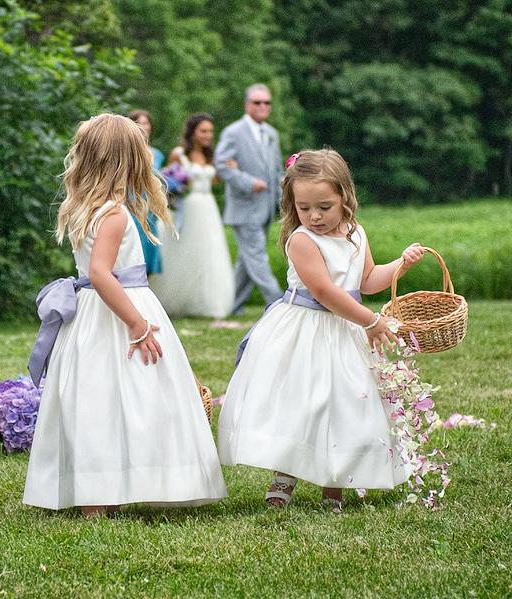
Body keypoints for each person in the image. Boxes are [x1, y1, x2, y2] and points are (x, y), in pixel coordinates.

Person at [23, 114, 228, 516]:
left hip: (91, 317)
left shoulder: (87, 207)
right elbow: (100, 273)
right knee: (131, 399)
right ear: (132, 162)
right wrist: (136, 322)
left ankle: (98, 493)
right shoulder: (114, 213)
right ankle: (106, 495)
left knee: (97, 403)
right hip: (120, 309)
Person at [215, 149, 424, 509]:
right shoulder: (301, 240)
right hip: (306, 331)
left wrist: (400, 266)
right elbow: (325, 291)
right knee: (303, 404)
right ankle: (285, 472)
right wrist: (372, 321)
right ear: (291, 203)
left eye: (324, 207)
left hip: (346, 329)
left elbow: (369, 280)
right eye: (304, 207)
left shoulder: (356, 234)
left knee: (345, 404)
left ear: (344, 196)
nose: (314, 216)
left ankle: (335, 485)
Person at [149, 112, 235, 318]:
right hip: (188, 207)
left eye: (210, 132)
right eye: (203, 131)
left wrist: (226, 171)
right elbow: (165, 180)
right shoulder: (179, 154)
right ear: (192, 132)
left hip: (208, 206)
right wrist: (178, 187)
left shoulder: (210, 155)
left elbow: (210, 180)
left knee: (209, 251)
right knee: (185, 251)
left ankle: (208, 303)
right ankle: (179, 300)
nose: (208, 135)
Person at [215, 84, 285, 315]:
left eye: (267, 102)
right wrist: (248, 182)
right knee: (257, 258)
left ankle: (232, 306)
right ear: (247, 105)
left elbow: (276, 171)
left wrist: (286, 201)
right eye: (257, 102)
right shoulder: (233, 132)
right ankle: (278, 304)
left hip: (266, 208)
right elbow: (222, 165)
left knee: (247, 262)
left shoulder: (272, 133)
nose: (263, 106)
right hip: (244, 207)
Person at [127, 109, 163, 275]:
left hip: (151, 205)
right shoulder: (127, 153)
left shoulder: (157, 155)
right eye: (138, 123)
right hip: (132, 200)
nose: (143, 127)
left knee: (150, 244)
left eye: (146, 123)